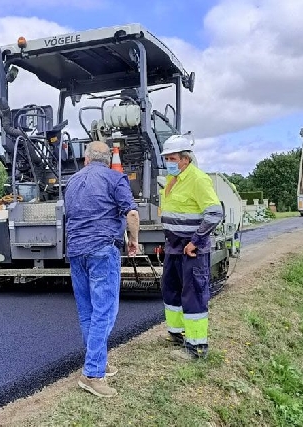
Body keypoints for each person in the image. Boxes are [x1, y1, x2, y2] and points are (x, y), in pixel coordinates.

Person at [64, 140, 140, 398]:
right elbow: (132, 215)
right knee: (104, 311)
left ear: (86, 159)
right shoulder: (115, 179)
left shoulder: (72, 182)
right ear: (108, 160)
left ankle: (98, 361)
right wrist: (133, 241)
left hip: (75, 251)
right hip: (101, 251)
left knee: (87, 311)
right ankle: (93, 374)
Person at [158, 135, 223, 361]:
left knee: (193, 294)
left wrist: (195, 241)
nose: (169, 162)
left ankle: (196, 347)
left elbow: (214, 213)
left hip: (192, 248)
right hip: (174, 246)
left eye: (172, 158)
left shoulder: (198, 179)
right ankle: (176, 334)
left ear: (185, 159)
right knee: (171, 290)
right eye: (166, 158)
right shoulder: (171, 179)